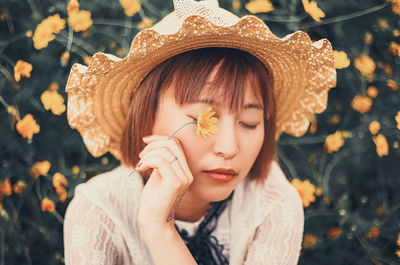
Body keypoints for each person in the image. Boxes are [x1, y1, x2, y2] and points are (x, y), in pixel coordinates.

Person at [63, 0, 336, 264]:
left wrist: (161, 231)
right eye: (201, 119)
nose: (229, 148)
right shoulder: (99, 211)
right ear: (146, 116)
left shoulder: (272, 204)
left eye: (250, 122)